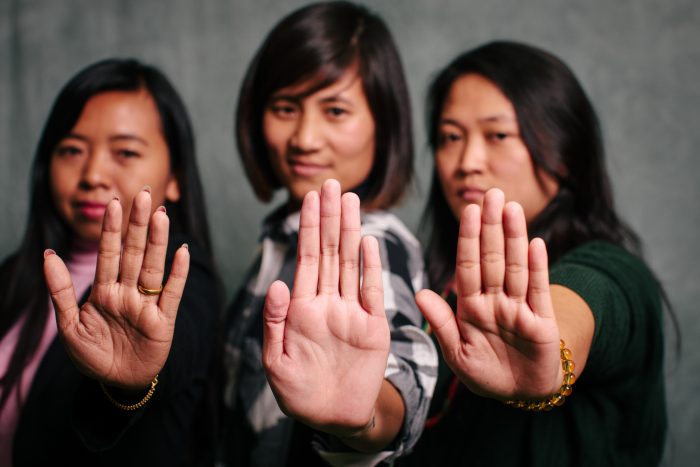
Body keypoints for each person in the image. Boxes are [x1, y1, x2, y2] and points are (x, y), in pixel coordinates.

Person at [398, 41, 669, 466]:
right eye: (450, 137)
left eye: (498, 135)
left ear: (564, 153)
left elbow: (581, 304)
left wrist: (550, 358)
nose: (466, 161)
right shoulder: (435, 284)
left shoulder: (614, 270)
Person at [218, 2, 436, 465]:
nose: (304, 138)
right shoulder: (280, 239)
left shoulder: (372, 243)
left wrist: (362, 417)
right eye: (285, 107)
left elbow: (400, 387)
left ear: (384, 124)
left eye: (335, 110)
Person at [0, 58, 220, 466]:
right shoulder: (15, 275)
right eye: (71, 150)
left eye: (125, 152)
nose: (93, 174)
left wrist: (127, 385)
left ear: (176, 177)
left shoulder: (183, 274)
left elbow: (174, 352)